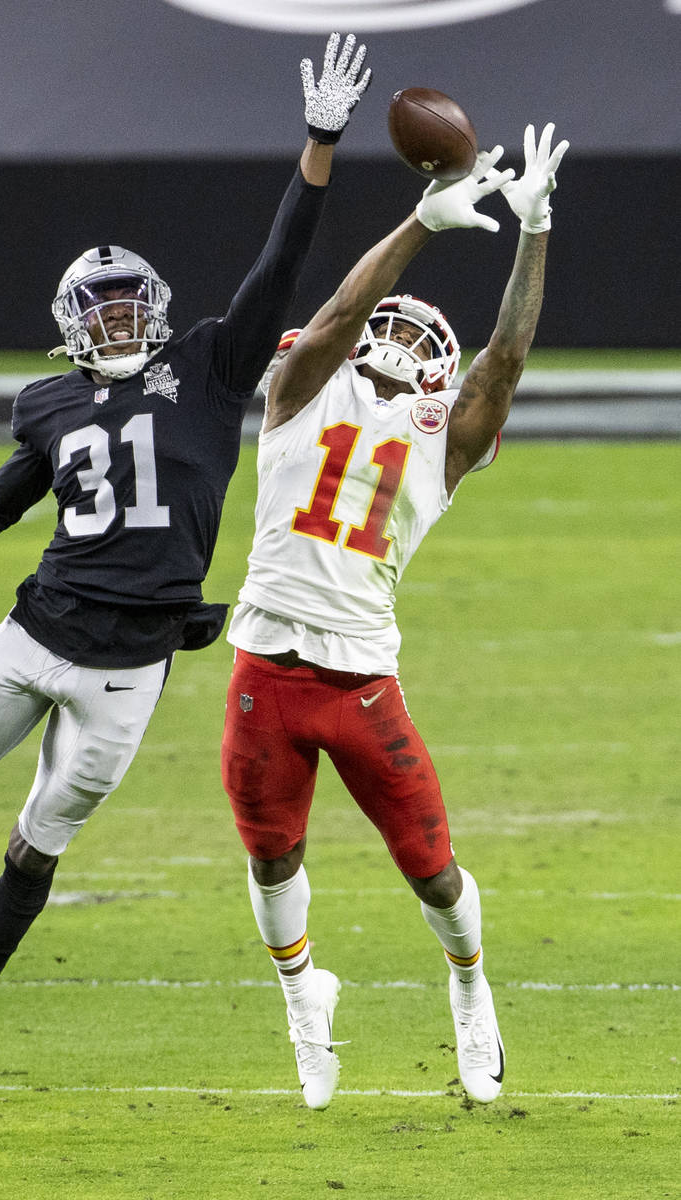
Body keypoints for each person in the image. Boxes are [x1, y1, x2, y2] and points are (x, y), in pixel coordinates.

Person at [0, 33, 374, 1119]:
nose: (120, 322)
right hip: (33, 633)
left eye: (131, 304)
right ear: (68, 328)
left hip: (129, 670)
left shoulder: (210, 365)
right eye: (100, 311)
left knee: (34, 848)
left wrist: (318, 145)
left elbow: (278, 266)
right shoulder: (45, 407)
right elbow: (6, 497)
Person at [220, 123, 568, 1110]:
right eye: (396, 328)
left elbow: (502, 364)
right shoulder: (296, 388)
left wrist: (531, 231)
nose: (402, 345)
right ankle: (302, 997)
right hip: (268, 671)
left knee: (432, 871)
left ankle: (469, 988)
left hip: (362, 679)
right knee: (270, 851)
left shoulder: (439, 438)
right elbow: (334, 313)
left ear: (434, 374)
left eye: (427, 343)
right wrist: (421, 219)